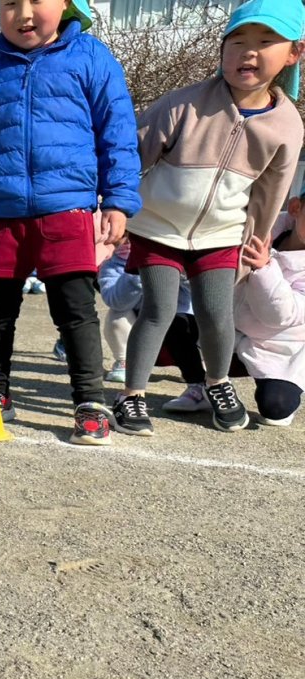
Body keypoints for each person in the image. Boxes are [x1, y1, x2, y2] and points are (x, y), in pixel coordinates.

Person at [0, 0, 141, 446]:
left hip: (67, 209)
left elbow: (117, 133)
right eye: (9, 4)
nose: (23, 13)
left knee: (75, 310)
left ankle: (89, 402)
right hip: (0, 213)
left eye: (35, 1)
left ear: (65, 5)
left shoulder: (91, 56)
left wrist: (118, 200)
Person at [111, 0, 305, 436]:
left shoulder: (287, 124)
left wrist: (256, 241)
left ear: (294, 53)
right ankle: (132, 396)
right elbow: (131, 152)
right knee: (158, 310)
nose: (247, 53)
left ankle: (217, 384)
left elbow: (270, 192)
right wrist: (113, 204)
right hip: (158, 226)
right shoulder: (186, 102)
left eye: (265, 42)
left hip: (222, 234)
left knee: (216, 315)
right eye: (236, 41)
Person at [98, 239, 211, 413]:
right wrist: (138, 271)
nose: (130, 242)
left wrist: (172, 275)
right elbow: (115, 301)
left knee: (179, 322)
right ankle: (124, 361)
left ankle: (198, 375)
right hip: (137, 319)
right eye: (127, 237)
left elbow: (197, 293)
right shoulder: (111, 265)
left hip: (179, 319)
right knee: (116, 317)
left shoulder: (177, 253)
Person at [232, 199, 305, 426]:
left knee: (275, 408)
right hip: (234, 330)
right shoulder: (263, 227)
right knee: (176, 328)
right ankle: (201, 386)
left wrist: (264, 269)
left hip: (284, 345)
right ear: (295, 209)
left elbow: (280, 316)